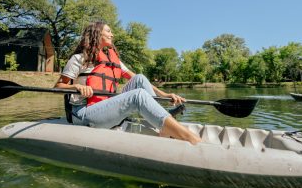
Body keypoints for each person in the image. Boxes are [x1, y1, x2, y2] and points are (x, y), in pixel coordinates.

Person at [54, 21, 201, 145]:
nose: (112, 34)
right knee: (137, 96)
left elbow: (138, 79)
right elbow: (58, 87)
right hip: (83, 113)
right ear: (97, 34)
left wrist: (164, 94)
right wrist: (76, 86)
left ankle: (160, 119)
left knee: (140, 78)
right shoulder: (79, 59)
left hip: (104, 107)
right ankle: (186, 136)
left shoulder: (112, 61)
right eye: (109, 31)